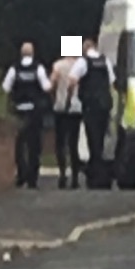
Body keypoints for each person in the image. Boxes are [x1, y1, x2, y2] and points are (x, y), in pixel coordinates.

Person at [2, 42, 52, 188]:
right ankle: (32, 179)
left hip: (19, 111)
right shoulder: (38, 68)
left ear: (21, 53)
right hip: (35, 111)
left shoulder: (14, 68)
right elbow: (46, 87)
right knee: (34, 146)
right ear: (33, 53)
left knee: (20, 144)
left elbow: (5, 87)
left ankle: (21, 175)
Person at [68, 38, 116, 188]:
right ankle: (101, 174)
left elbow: (72, 80)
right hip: (104, 105)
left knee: (92, 139)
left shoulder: (83, 62)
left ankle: (95, 175)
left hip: (90, 106)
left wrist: (71, 96)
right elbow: (111, 81)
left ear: (85, 49)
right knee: (101, 139)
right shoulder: (105, 61)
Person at [50, 53, 82, 189]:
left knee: (60, 143)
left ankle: (62, 173)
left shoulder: (58, 65)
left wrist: (54, 98)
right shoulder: (80, 66)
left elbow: (52, 84)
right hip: (76, 108)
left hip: (60, 108)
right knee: (74, 143)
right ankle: (75, 177)